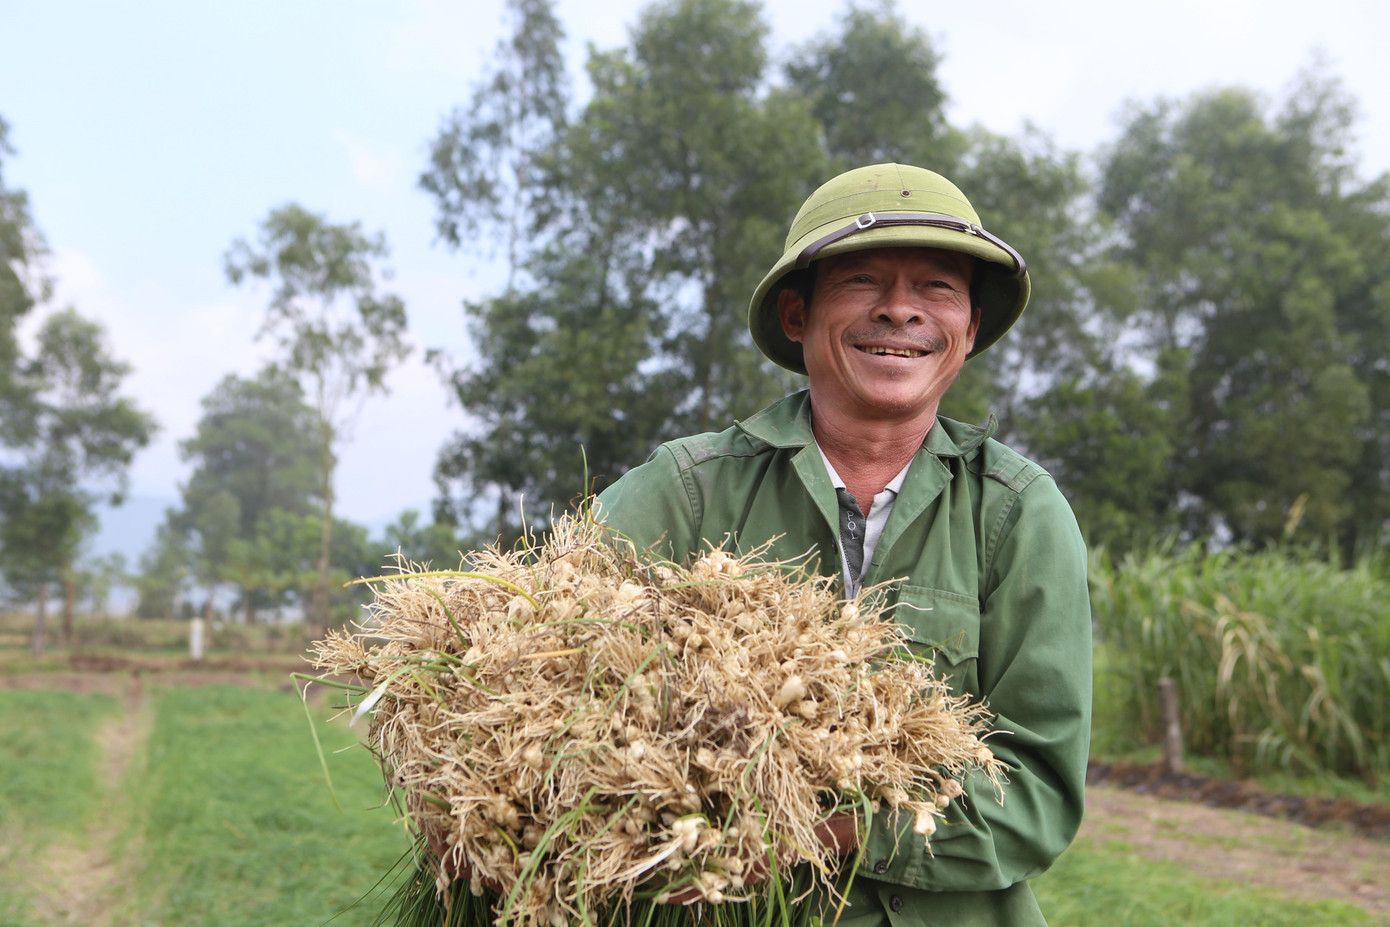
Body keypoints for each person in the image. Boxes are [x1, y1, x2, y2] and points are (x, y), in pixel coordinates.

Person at [594, 162, 1093, 926]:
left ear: (970, 327)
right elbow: (541, 662)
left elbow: (1036, 790)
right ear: (796, 313)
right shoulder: (688, 489)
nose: (900, 311)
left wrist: (818, 832)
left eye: (937, 287)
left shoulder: (1017, 514)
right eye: (862, 281)